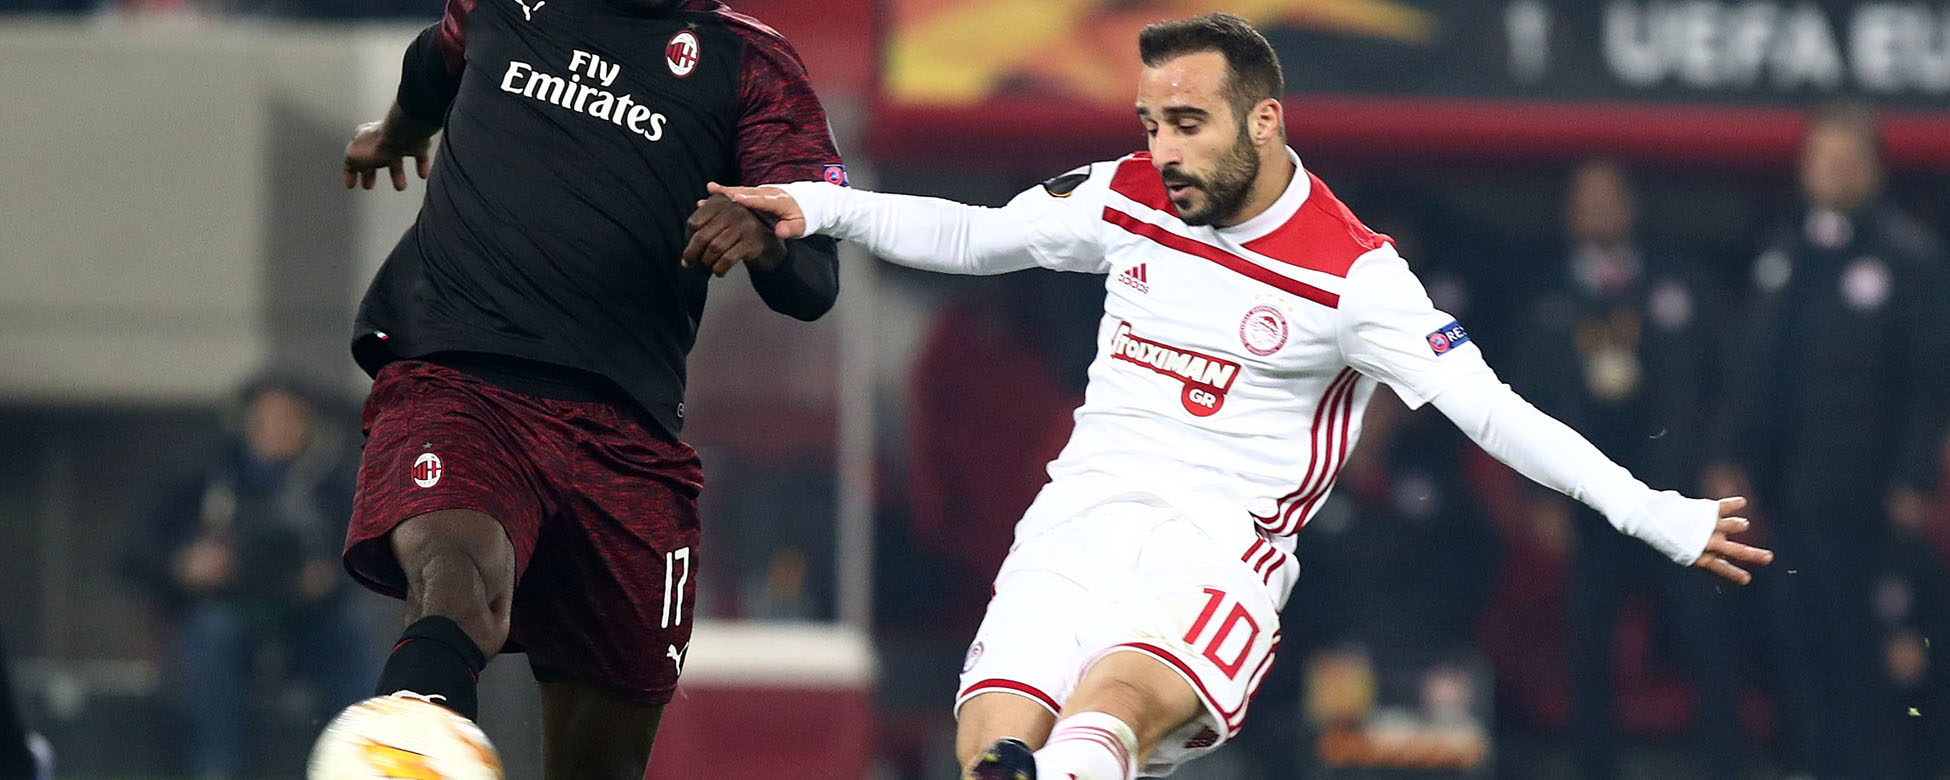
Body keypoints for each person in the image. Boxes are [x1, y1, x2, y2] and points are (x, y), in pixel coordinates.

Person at [716, 13, 1772, 780]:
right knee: (992, 747)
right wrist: (819, 207)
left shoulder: (1355, 275)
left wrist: (1654, 512)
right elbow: (977, 235)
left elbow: (1494, 411)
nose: (1163, 150)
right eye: (1150, 122)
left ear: (1264, 121)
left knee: (1101, 718)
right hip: (1075, 525)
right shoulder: (1126, 195)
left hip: (1217, 550)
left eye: (1188, 123)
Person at [327, 0, 844, 776]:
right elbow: (439, 57)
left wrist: (766, 240)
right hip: (460, 381)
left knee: (602, 760)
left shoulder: (752, 65)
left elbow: (816, 279)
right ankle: (405, 749)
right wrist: (400, 132)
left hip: (628, 440)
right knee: (457, 584)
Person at [1707, 101, 1950, 779]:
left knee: (1864, 656)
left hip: (1865, 502)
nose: (1833, 172)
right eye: (1822, 158)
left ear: (1874, 169)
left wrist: (1912, 481)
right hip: (1783, 496)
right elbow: (1751, 366)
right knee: (1794, 648)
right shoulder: (1784, 254)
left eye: (1848, 160)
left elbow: (1929, 383)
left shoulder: (1909, 258)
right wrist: (1731, 454)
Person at [1510, 159, 1746, 778]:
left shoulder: (1683, 286)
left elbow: (1729, 378)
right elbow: (1515, 404)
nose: (1598, 212)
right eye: (1584, 201)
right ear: (1568, 214)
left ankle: (1723, 766)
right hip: (1589, 508)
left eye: (1609, 198)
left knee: (1704, 639)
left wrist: (1724, 459)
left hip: (1678, 495)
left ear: (1632, 207)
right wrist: (1537, 498)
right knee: (1590, 648)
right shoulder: (1546, 300)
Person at [122, 375, 366, 780]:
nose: (281, 429)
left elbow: (363, 556)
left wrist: (327, 577)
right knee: (213, 633)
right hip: (227, 612)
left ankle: (360, 763)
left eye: (293, 418)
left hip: (307, 620)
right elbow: (135, 552)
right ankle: (218, 768)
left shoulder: (331, 485)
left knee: (350, 632)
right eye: (270, 417)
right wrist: (186, 564)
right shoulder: (205, 477)